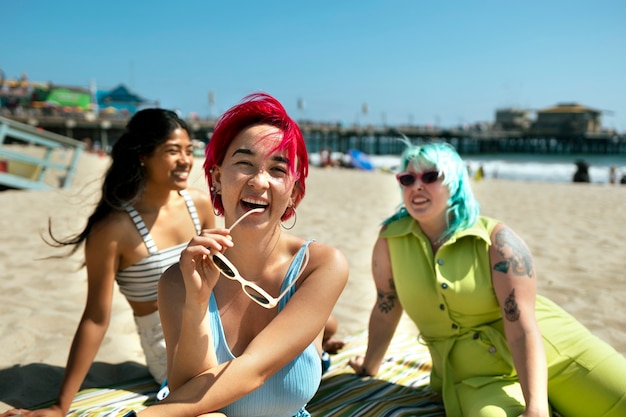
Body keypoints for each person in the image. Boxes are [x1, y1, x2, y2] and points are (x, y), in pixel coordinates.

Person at [349, 141, 626, 416]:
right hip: (476, 377)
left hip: (554, 352)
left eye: (431, 176)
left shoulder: (497, 240)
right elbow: (387, 306)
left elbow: (522, 325)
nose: (417, 186)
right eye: (407, 179)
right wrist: (369, 367)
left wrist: (537, 408)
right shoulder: (390, 240)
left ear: (455, 182)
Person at [133, 93, 348, 417]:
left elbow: (254, 370)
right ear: (217, 178)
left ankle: (325, 335)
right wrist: (196, 303)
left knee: (321, 325)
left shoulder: (319, 266)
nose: (259, 181)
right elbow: (189, 397)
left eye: (278, 168)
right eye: (244, 163)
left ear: (294, 192)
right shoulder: (178, 281)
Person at [1, 109, 214, 417]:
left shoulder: (199, 204)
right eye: (172, 151)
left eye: (187, 150)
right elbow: (96, 319)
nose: (185, 160)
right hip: (172, 351)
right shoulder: (114, 230)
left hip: (214, 326)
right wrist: (61, 406)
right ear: (143, 155)